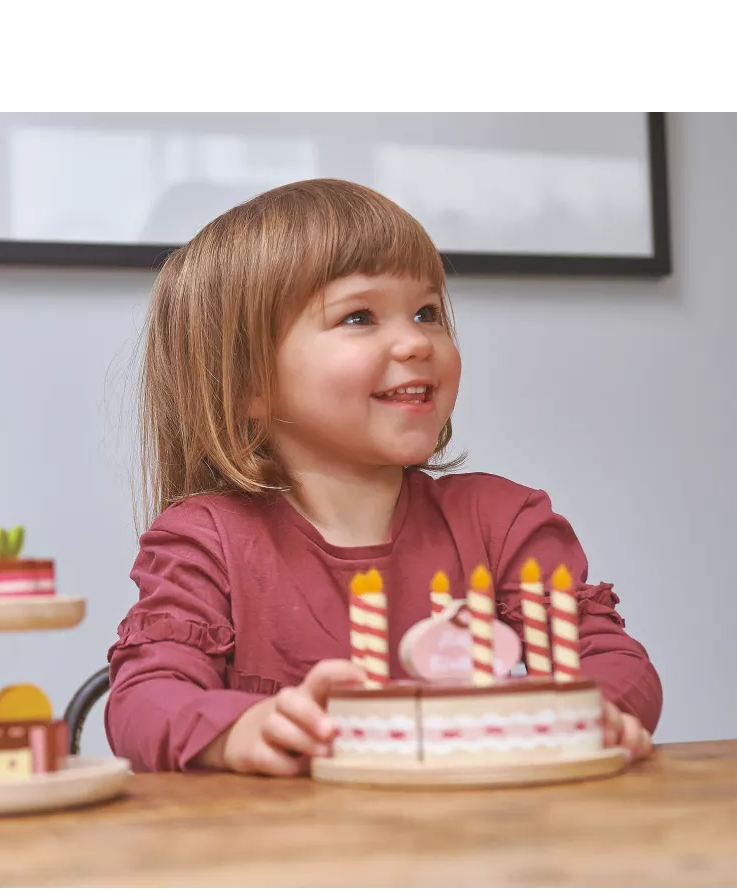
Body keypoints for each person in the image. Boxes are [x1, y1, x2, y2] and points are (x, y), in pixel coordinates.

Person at [104, 178, 662, 776]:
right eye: (359, 316)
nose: (416, 341)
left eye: (427, 312)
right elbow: (143, 702)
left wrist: (595, 711)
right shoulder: (206, 542)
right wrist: (239, 728)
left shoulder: (503, 523)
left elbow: (612, 661)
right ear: (247, 384)